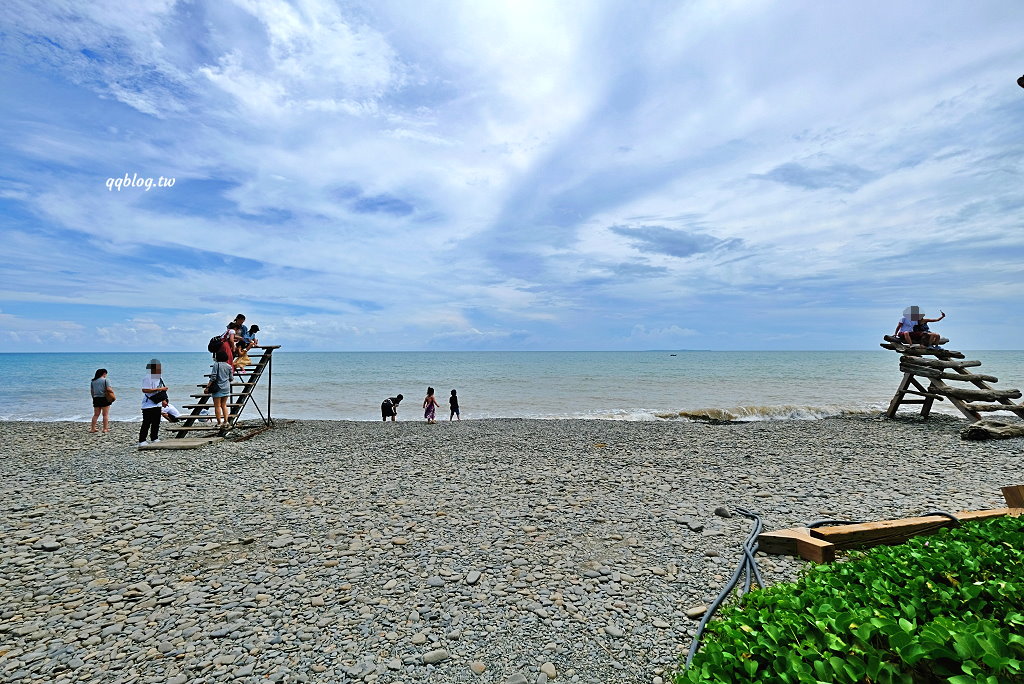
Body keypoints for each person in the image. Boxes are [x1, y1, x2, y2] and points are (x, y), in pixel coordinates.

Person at [140, 359, 166, 446]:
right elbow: (144, 390)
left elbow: (161, 391)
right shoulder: (147, 377)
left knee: (156, 422)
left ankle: (154, 437)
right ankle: (142, 440)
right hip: (148, 404)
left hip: (157, 402)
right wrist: (159, 389)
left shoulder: (159, 377)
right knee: (146, 422)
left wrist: (164, 400)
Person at [210, 349, 234, 427]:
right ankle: (226, 421)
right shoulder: (229, 366)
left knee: (217, 406)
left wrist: (208, 386)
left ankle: (219, 422)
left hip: (218, 387)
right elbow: (231, 378)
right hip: (226, 387)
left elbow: (213, 377)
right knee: (224, 405)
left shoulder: (216, 365)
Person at [90, 369, 113, 433]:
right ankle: (105, 429)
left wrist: (93, 398)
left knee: (96, 415)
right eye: (106, 374)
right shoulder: (106, 380)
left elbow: (92, 391)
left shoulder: (93, 381)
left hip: (96, 398)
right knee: (105, 415)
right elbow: (109, 389)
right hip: (104, 398)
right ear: (104, 373)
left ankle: (92, 428)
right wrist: (112, 392)